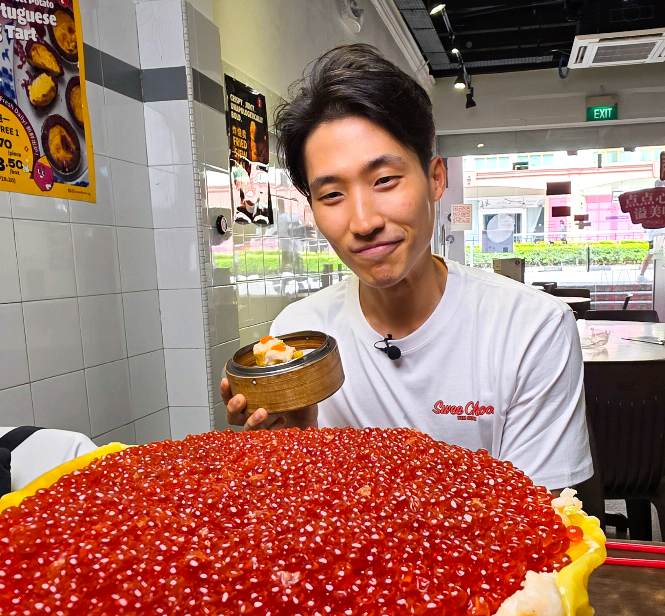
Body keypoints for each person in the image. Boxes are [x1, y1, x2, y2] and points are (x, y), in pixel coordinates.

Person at [221, 45, 592, 493]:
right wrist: (294, 447)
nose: (363, 222)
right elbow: (296, 521)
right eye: (332, 195)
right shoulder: (300, 334)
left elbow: (536, 526)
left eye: (384, 181)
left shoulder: (531, 328)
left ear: (436, 178)